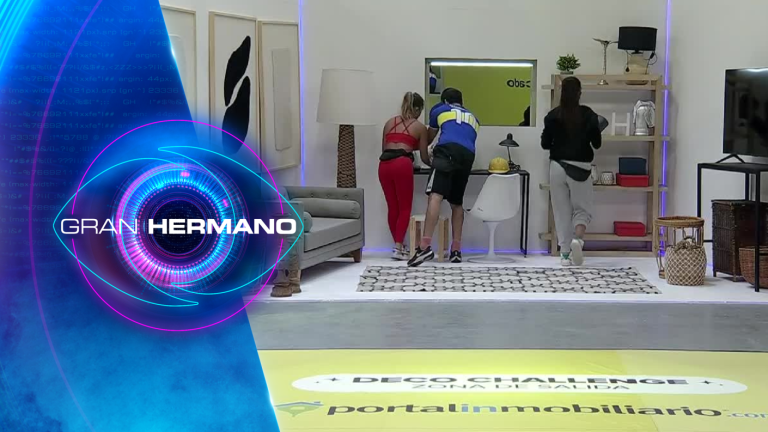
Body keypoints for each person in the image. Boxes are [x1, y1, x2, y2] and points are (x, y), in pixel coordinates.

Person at [408, 88, 478, 267]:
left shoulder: (440, 110)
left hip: (446, 153)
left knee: (435, 196)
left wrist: (425, 155)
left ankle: (424, 247)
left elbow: (428, 138)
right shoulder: (473, 117)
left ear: (445, 101)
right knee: (457, 203)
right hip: (468, 157)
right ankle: (456, 250)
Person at [541, 77, 602, 266]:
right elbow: (597, 144)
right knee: (582, 209)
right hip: (580, 168)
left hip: (557, 167)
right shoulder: (589, 115)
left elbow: (545, 144)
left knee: (561, 211)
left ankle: (565, 255)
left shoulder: (552, 116)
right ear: (579, 93)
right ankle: (578, 239)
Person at [379, 92, 428, 260]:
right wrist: (433, 164)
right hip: (402, 164)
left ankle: (398, 246)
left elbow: (384, 148)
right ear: (417, 109)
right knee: (405, 208)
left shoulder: (389, 123)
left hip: (384, 165)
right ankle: (398, 247)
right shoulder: (419, 127)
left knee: (393, 207)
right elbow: (424, 156)